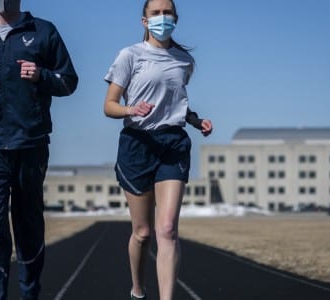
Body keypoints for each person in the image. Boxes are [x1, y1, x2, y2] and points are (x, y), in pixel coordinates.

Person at [0, 0, 78, 299]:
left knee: (28, 224)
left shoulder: (43, 31)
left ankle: (29, 293)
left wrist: (41, 75)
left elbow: (69, 81)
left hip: (30, 142)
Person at [103, 0, 212, 299]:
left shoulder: (183, 60)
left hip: (173, 144)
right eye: (156, 13)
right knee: (143, 233)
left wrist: (195, 120)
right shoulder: (130, 56)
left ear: (175, 18)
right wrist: (130, 109)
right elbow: (108, 106)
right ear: (144, 21)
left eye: (167, 13)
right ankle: (138, 290)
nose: (162, 18)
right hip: (138, 144)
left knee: (167, 229)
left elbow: (177, 102)